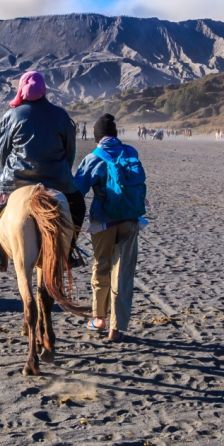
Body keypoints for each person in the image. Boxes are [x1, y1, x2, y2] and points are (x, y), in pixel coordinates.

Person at [0, 71, 85, 272]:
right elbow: (70, 151)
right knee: (78, 206)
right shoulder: (61, 115)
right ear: (44, 90)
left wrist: (7, 172)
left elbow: (3, 152)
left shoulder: (10, 115)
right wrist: (65, 173)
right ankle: (69, 250)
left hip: (16, 179)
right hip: (57, 179)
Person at [72, 114, 146, 343]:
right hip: (131, 220)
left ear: (97, 137)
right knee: (123, 272)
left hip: (103, 222)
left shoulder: (94, 157)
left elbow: (78, 192)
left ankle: (99, 318)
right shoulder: (131, 152)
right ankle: (117, 328)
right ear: (115, 134)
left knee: (102, 266)